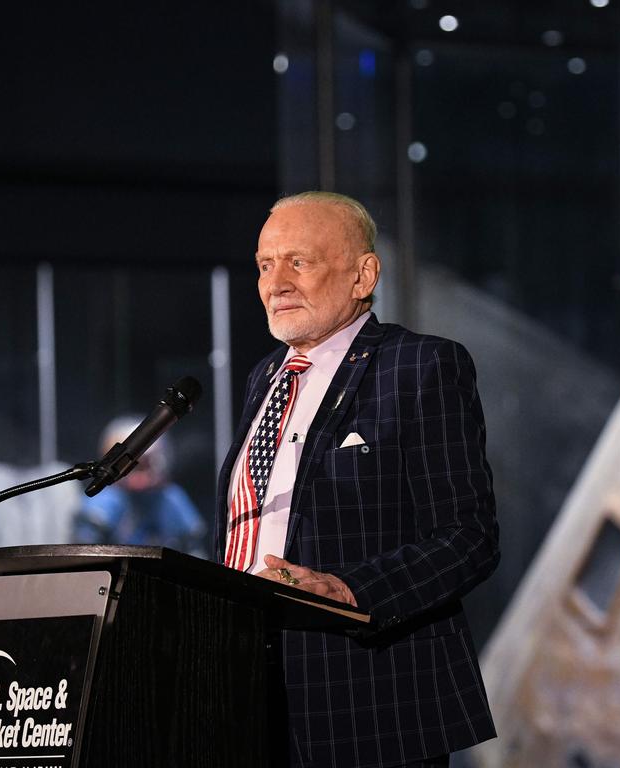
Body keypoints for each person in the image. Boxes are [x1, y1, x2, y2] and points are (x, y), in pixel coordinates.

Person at [215, 191, 499, 768]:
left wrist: (348, 592)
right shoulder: (263, 377)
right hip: (249, 688)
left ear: (363, 273)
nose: (277, 283)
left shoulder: (420, 366)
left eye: (300, 261)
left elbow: (469, 537)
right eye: (266, 265)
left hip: (368, 701)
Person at [74, 416, 206, 555]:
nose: (141, 475)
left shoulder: (171, 499)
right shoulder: (105, 502)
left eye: (147, 464)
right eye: (136, 465)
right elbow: (84, 555)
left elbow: (195, 552)